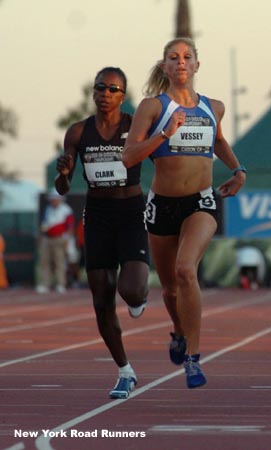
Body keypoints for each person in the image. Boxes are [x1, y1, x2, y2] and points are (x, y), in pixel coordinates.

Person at [122, 37, 245, 389]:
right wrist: (164, 133)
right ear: (165, 66)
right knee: (170, 290)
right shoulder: (152, 106)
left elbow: (219, 140)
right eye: (173, 58)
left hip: (200, 202)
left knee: (185, 270)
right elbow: (129, 157)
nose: (180, 62)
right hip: (162, 204)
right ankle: (178, 330)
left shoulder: (213, 107)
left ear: (196, 65)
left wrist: (238, 170)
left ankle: (192, 356)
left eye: (187, 57)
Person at [54, 67, 149, 399]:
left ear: (122, 96)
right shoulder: (79, 132)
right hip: (97, 215)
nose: (105, 93)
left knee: (132, 291)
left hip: (131, 211)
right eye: (100, 87)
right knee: (101, 298)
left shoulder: (135, 125)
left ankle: (139, 297)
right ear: (93, 92)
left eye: (113, 88)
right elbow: (63, 187)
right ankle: (124, 370)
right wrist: (64, 173)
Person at [36, 190, 74, 294]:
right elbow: (43, 225)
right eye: (52, 199)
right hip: (47, 238)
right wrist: (40, 237)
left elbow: (70, 227)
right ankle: (44, 284)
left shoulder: (66, 210)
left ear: (60, 199)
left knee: (59, 262)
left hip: (59, 239)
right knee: (44, 262)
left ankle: (60, 284)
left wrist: (67, 240)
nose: (53, 201)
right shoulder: (48, 209)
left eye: (55, 199)